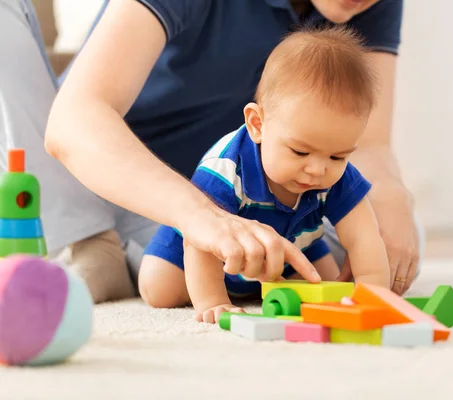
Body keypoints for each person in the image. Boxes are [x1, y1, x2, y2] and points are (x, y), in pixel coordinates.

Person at [1, 0, 423, 304]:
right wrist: (203, 217)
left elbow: (365, 144)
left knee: (392, 228)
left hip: (231, 206)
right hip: (100, 185)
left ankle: (126, 262)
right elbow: (74, 119)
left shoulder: (366, 4)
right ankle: (84, 240)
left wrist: (391, 197)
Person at [140, 26, 392, 323]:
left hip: (291, 250)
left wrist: (374, 296)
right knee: (159, 290)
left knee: (326, 287)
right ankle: (129, 255)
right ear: (257, 124)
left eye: (338, 156)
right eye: (300, 152)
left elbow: (365, 238)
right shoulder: (226, 169)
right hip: (203, 252)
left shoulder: (337, 174)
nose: (318, 169)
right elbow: (201, 242)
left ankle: (261, 287)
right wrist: (213, 301)